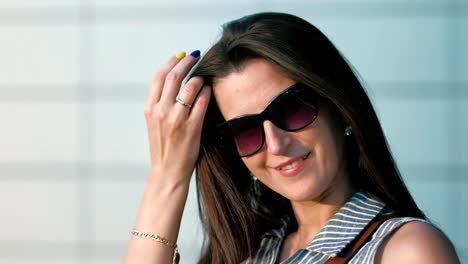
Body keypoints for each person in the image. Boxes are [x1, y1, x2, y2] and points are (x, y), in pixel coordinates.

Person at [124, 12, 460, 264]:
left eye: (291, 109)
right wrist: (169, 174)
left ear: (339, 107)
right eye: (245, 130)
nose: (276, 144)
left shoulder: (405, 250)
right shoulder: (253, 251)